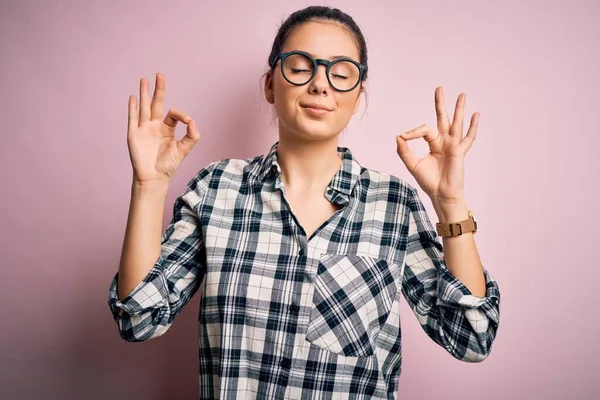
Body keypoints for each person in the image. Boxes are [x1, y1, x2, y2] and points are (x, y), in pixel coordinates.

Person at [108, 5, 500, 399]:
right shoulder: (217, 188)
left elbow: (470, 337)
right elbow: (139, 318)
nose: (320, 84)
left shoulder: (394, 204)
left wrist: (450, 204)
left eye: (341, 72)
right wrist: (148, 185)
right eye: (300, 67)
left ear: (357, 96)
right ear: (269, 84)